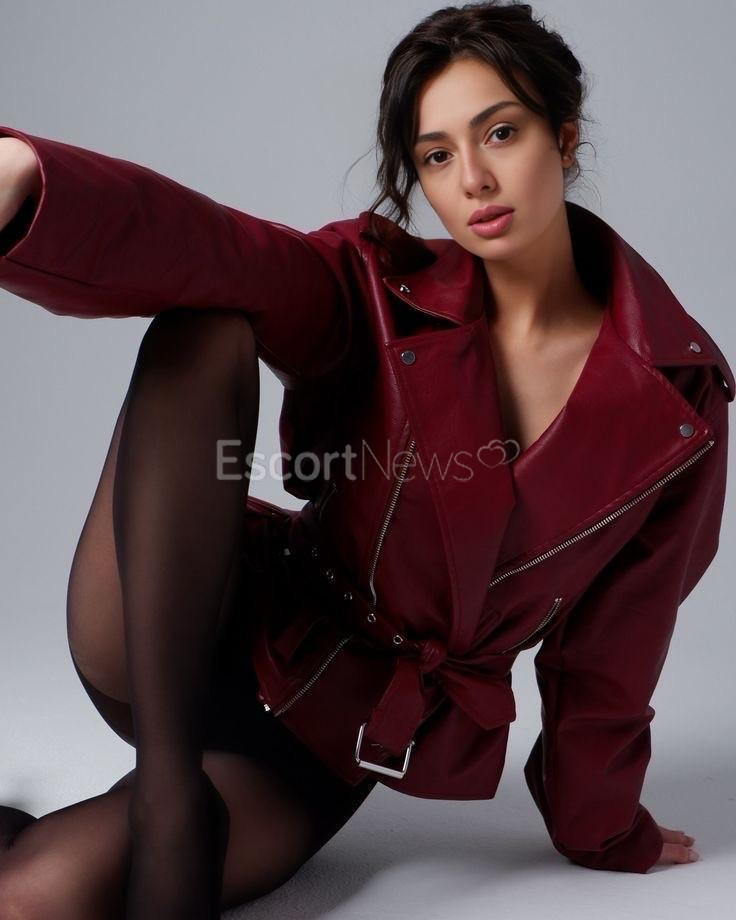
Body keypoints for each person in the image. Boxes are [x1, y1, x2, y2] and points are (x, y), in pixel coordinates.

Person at [0, 1, 731, 915]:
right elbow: (221, 245)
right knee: (213, 313)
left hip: (330, 729)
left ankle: (88, 815)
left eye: (501, 133)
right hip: (185, 620)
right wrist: (30, 182)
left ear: (565, 136)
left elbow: (614, 647)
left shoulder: (678, 405)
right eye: (436, 156)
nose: (473, 179)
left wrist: (603, 827)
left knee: (31, 895)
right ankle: (168, 794)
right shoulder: (376, 286)